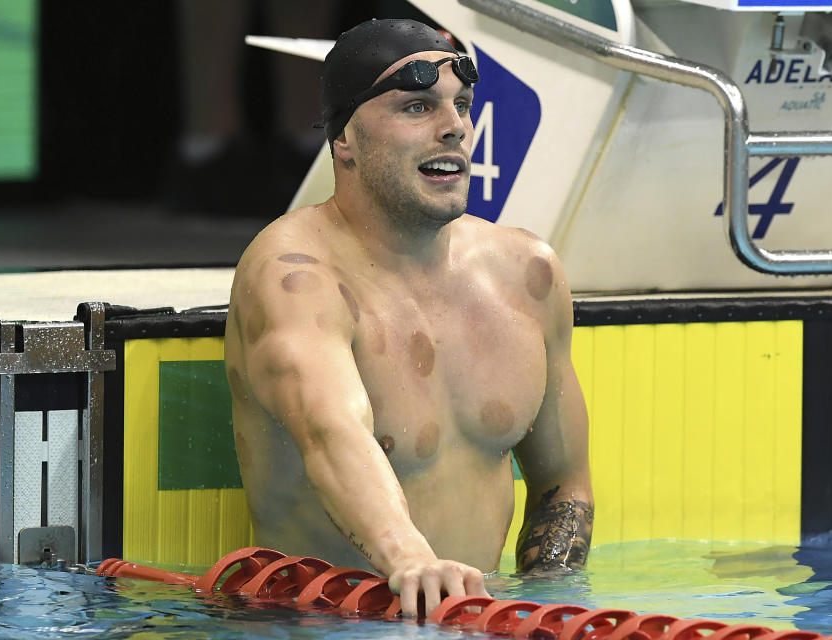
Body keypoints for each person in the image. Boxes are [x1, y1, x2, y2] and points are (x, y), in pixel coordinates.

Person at [224, 18, 593, 618]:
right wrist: (409, 561)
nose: (454, 127)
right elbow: (329, 431)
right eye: (417, 106)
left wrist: (543, 608)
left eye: (463, 105)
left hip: (480, 621)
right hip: (321, 624)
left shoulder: (527, 274)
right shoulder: (294, 277)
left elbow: (564, 488)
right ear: (344, 139)